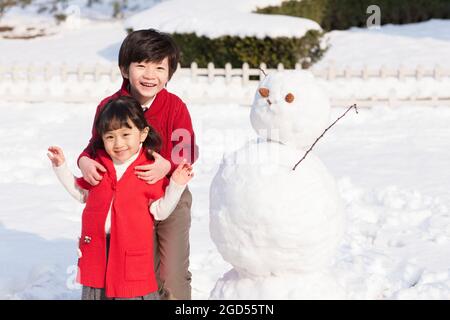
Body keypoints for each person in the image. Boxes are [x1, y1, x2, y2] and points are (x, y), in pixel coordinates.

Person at [77, 29, 198, 300]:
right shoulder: (110, 106)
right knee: (134, 270)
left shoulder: (175, 106)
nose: (149, 74)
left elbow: (187, 149)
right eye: (141, 65)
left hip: (169, 195)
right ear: (124, 68)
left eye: (159, 67)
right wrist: (84, 160)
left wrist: (167, 166)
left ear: (169, 73)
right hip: (125, 202)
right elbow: (96, 144)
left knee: (171, 272)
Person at [47, 96, 194, 300]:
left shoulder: (148, 169)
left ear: (142, 134)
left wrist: (176, 185)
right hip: (97, 251)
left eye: (126, 134)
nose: (118, 143)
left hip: (130, 259)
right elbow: (82, 194)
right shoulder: (100, 164)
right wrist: (61, 167)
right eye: (110, 137)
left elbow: (160, 211)